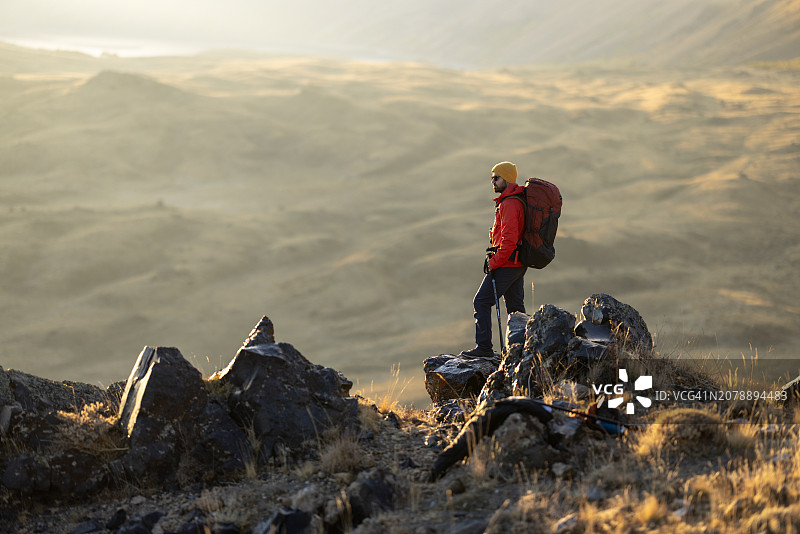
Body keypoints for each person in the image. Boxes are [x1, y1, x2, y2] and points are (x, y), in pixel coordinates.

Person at [461, 161, 527, 358]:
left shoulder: (509, 204)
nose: (493, 181)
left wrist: (494, 262)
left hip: (507, 263)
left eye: (496, 178)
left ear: (506, 179)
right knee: (516, 308)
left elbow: (509, 240)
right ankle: (521, 349)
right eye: (492, 177)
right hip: (517, 263)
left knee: (481, 301)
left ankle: (484, 349)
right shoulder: (515, 200)